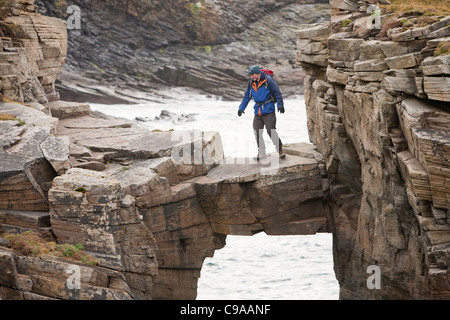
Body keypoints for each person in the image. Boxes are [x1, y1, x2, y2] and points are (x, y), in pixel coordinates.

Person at [238, 65, 286, 160]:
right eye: (251, 75)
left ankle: (280, 150)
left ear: (258, 73)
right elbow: (247, 96)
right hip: (258, 111)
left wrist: (280, 105)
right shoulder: (251, 82)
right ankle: (262, 153)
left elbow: (277, 93)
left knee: (271, 131)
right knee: (257, 131)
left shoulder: (268, 80)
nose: (251, 77)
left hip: (269, 110)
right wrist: (241, 108)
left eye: (253, 75)